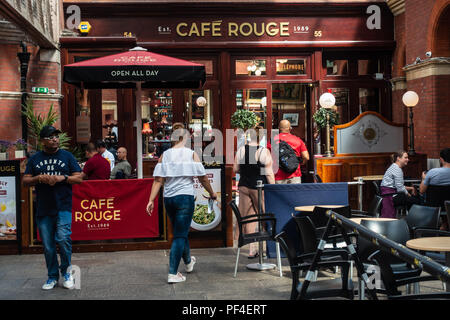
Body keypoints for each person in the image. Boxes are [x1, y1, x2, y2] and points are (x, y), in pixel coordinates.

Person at [146, 123, 217, 284]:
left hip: (169, 199)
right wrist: (212, 193)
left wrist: (151, 200)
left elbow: (158, 180)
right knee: (179, 235)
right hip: (185, 198)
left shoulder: (165, 155)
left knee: (180, 231)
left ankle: (188, 262)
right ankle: (172, 273)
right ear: (184, 137)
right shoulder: (191, 154)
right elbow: (203, 177)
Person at [23, 125, 83, 290]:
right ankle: (52, 277)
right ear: (42, 141)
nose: (55, 139)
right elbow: (25, 181)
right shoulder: (35, 159)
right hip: (44, 208)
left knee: (63, 239)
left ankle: (67, 273)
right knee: (48, 246)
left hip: (63, 205)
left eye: (56, 136)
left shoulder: (67, 156)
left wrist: (61, 178)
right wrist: (38, 178)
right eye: (50, 137)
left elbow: (79, 178)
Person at [233, 126, 275, 258]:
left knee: (248, 217)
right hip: (259, 187)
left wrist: (247, 171)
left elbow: (236, 169)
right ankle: (269, 247)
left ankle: (252, 249)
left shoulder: (241, 150)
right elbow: (268, 173)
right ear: (261, 137)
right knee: (264, 216)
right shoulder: (263, 151)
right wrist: (274, 188)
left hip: (244, 186)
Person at [380, 150, 421, 218]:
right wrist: (409, 195)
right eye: (405, 157)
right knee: (416, 201)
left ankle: (410, 219)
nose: (408, 159)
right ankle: (414, 221)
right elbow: (400, 188)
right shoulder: (397, 169)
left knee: (412, 200)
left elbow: (398, 186)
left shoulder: (393, 166)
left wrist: (411, 188)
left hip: (389, 194)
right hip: (391, 196)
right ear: (398, 158)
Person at [269, 119, 309, 184]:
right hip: (295, 174)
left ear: (279, 128)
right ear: (290, 128)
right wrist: (300, 163)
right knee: (295, 194)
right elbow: (306, 157)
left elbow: (267, 158)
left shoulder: (272, 141)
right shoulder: (298, 140)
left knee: (280, 194)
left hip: (278, 175)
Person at [419, 147, 450, 230]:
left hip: (433, 206)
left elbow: (421, 191)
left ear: (441, 159)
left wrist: (424, 178)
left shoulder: (432, 172)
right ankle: (445, 224)